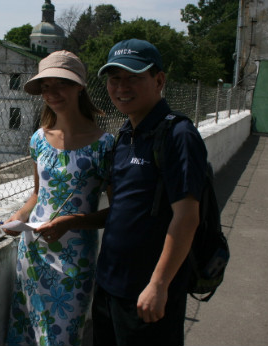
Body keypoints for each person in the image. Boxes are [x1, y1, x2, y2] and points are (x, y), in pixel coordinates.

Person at [90, 39, 209, 345]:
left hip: (147, 293)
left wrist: (158, 284)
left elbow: (186, 218)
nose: (121, 87)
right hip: (109, 287)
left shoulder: (178, 135)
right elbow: (122, 210)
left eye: (133, 78)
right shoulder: (126, 133)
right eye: (114, 79)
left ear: (159, 80)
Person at [3, 50, 114, 346]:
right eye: (46, 86)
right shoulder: (39, 139)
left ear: (80, 86)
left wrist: (72, 221)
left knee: (61, 339)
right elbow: (39, 193)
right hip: (33, 252)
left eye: (60, 84)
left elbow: (118, 212)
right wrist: (20, 216)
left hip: (74, 261)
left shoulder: (105, 145)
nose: (52, 93)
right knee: (26, 333)